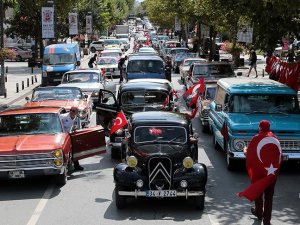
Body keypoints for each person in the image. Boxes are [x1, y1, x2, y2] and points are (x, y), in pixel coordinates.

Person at [239, 120, 282, 225]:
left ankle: (259, 213)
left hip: (259, 173)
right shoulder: (275, 139)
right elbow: (279, 154)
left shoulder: (256, 138)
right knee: (269, 197)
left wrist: (244, 149)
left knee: (258, 192)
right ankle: (267, 221)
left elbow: (248, 154)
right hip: (271, 174)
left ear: (260, 127)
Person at [60, 106, 84, 171]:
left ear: (76, 112)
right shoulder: (63, 116)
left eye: (73, 111)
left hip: (69, 135)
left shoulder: (76, 118)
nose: (71, 111)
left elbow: (78, 128)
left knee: (74, 150)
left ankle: (76, 165)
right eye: (70, 110)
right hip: (62, 136)